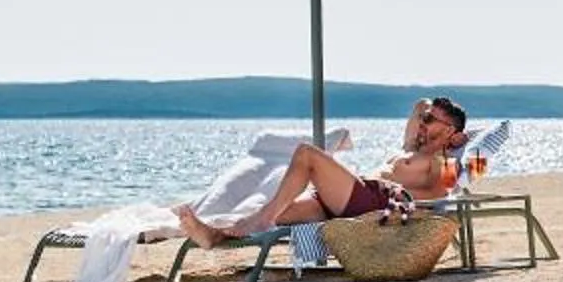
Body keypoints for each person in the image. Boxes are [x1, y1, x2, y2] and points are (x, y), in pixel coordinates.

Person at [178, 96, 468, 247]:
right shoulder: (410, 146)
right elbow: (420, 104)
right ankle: (215, 236)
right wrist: (433, 115)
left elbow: (445, 191)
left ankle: (263, 221)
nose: (423, 121)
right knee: (267, 212)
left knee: (307, 155)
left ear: (449, 131)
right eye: (425, 118)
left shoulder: (443, 161)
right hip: (348, 197)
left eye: (431, 120)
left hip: (375, 200)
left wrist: (457, 143)